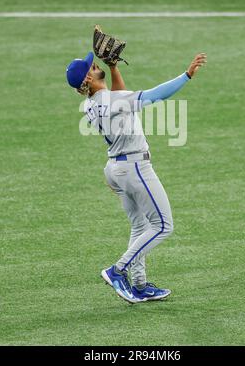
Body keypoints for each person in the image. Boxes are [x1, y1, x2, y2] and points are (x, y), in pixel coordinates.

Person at [66, 50, 207, 303]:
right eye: (92, 65)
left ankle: (140, 285)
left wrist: (113, 68)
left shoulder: (92, 102)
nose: (95, 64)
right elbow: (155, 95)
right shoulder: (111, 102)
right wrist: (186, 75)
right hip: (134, 169)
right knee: (163, 226)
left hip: (115, 169)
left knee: (141, 226)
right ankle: (117, 271)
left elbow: (120, 96)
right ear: (88, 77)